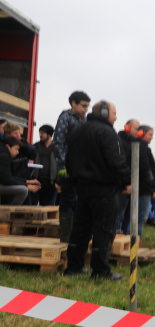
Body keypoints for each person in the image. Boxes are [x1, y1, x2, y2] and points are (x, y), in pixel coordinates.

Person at [63, 100, 131, 280]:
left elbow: (68, 160)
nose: (116, 117)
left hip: (82, 188)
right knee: (104, 229)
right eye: (114, 113)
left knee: (80, 229)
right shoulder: (107, 133)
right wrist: (127, 182)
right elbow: (116, 161)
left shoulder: (78, 131)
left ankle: (73, 267)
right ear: (103, 113)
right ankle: (100, 271)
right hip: (103, 189)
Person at [53, 90, 90, 242]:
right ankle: (65, 233)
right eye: (83, 106)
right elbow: (58, 142)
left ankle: (76, 232)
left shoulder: (85, 120)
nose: (85, 109)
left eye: (88, 106)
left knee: (79, 200)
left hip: (81, 168)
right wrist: (61, 165)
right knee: (67, 198)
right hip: (65, 167)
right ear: (73, 103)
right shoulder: (65, 118)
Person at [119, 124, 155, 240]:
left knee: (135, 218)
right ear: (141, 133)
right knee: (139, 219)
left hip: (141, 187)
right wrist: (153, 187)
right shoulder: (141, 148)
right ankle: (134, 245)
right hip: (143, 189)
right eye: (150, 134)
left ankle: (130, 243)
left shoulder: (138, 147)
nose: (151, 137)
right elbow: (146, 170)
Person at [2, 122, 38, 204]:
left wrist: (22, 144)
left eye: (19, 133)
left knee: (26, 208)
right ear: (7, 134)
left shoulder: (22, 144)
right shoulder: (4, 152)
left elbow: (34, 154)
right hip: (11, 183)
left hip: (22, 180)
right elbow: (7, 178)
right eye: (15, 133)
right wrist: (27, 184)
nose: (19, 136)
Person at [115, 119, 140, 233]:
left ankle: (125, 237)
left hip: (131, 183)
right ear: (127, 127)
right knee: (119, 213)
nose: (138, 131)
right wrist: (126, 182)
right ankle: (114, 238)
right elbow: (121, 164)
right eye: (136, 128)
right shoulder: (119, 141)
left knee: (129, 215)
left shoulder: (134, 142)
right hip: (123, 184)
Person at [33, 124, 58, 206]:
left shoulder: (57, 148)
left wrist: (59, 181)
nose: (40, 135)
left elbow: (63, 165)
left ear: (49, 134)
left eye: (42, 133)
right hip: (36, 181)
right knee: (32, 206)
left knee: (46, 207)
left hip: (50, 183)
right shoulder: (36, 146)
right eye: (39, 132)